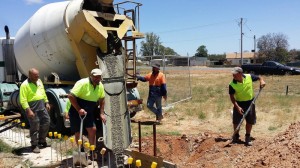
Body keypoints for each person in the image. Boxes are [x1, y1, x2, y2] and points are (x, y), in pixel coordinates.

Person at [68, 68, 105, 147]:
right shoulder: (82, 83)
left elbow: (102, 99)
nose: (97, 79)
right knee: (78, 131)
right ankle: (80, 150)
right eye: (95, 77)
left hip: (89, 110)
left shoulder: (100, 85)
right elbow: (71, 96)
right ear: (90, 76)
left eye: (99, 77)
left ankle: (92, 151)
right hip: (76, 110)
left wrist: (101, 113)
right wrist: (79, 109)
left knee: (92, 129)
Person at [229, 67, 266, 146]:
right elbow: (232, 97)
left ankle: (247, 137)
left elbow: (259, 77)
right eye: (233, 74)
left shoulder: (249, 77)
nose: (233, 76)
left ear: (240, 73)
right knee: (236, 121)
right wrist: (237, 107)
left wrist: (261, 80)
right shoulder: (232, 84)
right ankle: (236, 136)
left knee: (250, 121)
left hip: (250, 102)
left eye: (235, 74)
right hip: (239, 103)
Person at [19, 68, 51, 153]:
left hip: (41, 105)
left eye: (38, 74)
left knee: (46, 122)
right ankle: (34, 145)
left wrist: (46, 102)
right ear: (30, 75)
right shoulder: (24, 85)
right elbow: (23, 99)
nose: (37, 76)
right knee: (34, 125)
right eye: (35, 75)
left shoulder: (39, 81)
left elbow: (43, 92)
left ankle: (42, 141)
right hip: (32, 107)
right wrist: (28, 110)